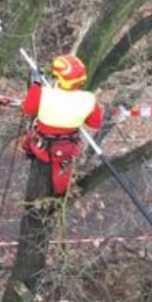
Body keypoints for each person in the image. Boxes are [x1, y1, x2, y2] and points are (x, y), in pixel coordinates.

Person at [21, 53, 103, 196]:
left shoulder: (43, 94)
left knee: (28, 139)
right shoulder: (89, 99)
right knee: (62, 179)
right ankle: (60, 197)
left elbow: (27, 108)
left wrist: (36, 84)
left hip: (40, 145)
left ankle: (29, 153)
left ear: (58, 76)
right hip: (67, 148)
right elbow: (95, 123)